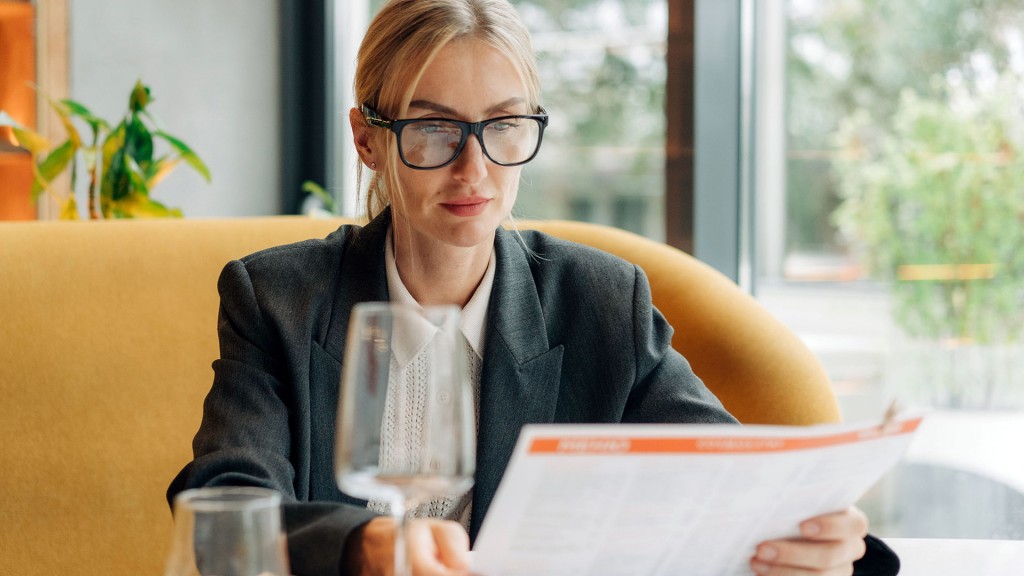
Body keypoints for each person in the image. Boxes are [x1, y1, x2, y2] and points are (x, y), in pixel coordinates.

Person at [169, 1, 897, 575]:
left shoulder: (600, 303)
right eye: (434, 129)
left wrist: (827, 545)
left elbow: (734, 486)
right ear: (367, 139)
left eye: (505, 125)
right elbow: (223, 505)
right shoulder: (279, 299)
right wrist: (362, 546)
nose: (474, 169)